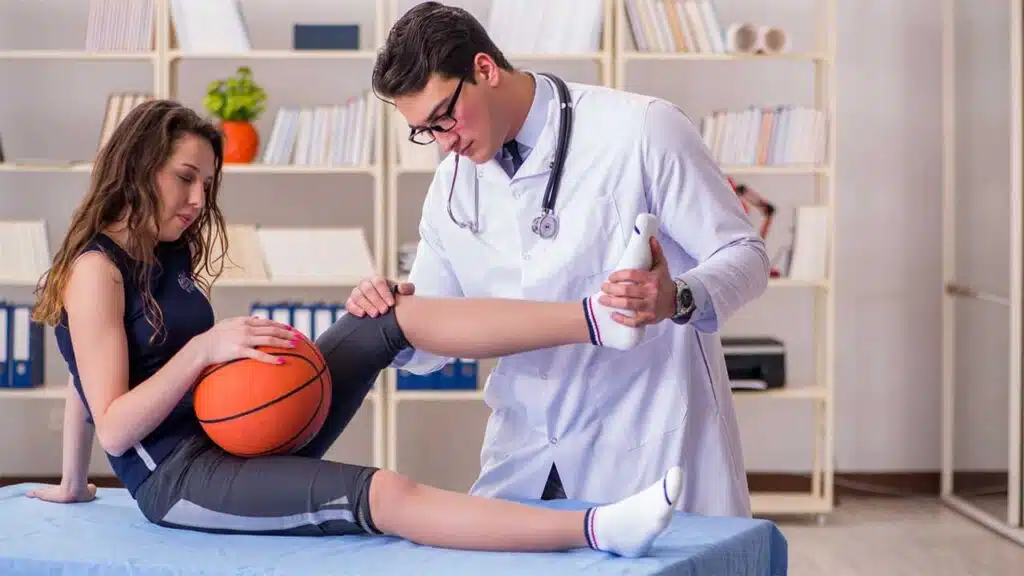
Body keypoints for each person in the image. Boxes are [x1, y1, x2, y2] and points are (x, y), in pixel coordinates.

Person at [23, 99, 684, 559]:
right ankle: (599, 531)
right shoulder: (94, 271)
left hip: (238, 429)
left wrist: (75, 482)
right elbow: (112, 419)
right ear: (139, 168)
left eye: (207, 183)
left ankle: (599, 319)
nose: (200, 200)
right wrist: (205, 349)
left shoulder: (164, 250)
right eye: (185, 179)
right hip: (184, 479)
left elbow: (85, 379)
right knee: (384, 492)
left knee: (385, 316)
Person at [354, 2, 771, 518]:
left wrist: (678, 297)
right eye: (425, 131)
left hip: (645, 440)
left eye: (445, 117)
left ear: (484, 69)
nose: (445, 142)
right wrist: (389, 317)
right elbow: (430, 342)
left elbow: (745, 254)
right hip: (526, 450)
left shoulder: (640, 128)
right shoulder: (452, 187)